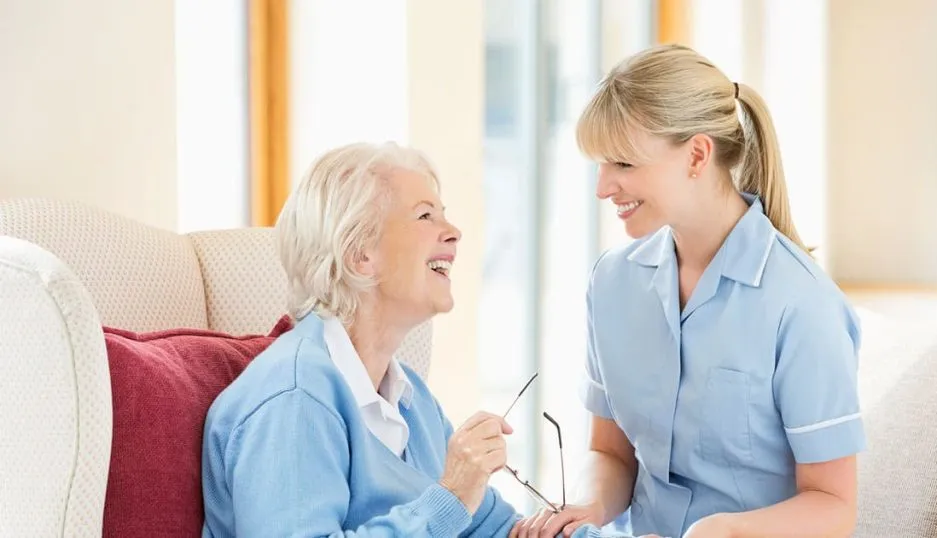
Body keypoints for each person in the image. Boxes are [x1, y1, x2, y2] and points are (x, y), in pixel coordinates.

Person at [200, 142, 639, 538]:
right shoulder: (293, 399)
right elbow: (451, 508)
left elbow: (497, 530)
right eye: (426, 215)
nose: (454, 231)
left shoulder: (411, 399)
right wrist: (451, 496)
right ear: (360, 254)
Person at [515, 45, 866, 538]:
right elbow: (611, 453)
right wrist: (588, 506)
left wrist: (719, 532)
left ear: (697, 155)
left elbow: (833, 506)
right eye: (600, 165)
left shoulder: (802, 305)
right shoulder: (613, 282)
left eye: (623, 163)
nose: (603, 187)